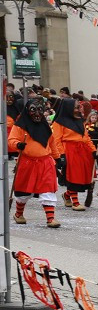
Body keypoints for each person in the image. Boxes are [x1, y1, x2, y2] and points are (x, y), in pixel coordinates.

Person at [9, 97, 63, 227]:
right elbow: (11, 140)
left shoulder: (46, 126)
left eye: (40, 110)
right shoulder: (20, 126)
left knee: (48, 189)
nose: (37, 113)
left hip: (45, 162)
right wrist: (18, 144)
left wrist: (57, 158)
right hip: (27, 162)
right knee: (23, 190)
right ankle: (19, 214)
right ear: (27, 111)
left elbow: (52, 143)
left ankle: (50, 218)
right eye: (33, 110)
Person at [51, 97, 96, 211]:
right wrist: (61, 155)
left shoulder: (79, 120)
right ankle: (75, 202)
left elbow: (85, 137)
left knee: (81, 175)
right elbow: (56, 140)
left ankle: (67, 195)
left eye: (78, 107)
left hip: (83, 150)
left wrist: (93, 150)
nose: (78, 109)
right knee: (73, 175)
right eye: (76, 107)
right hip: (69, 150)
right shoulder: (58, 122)